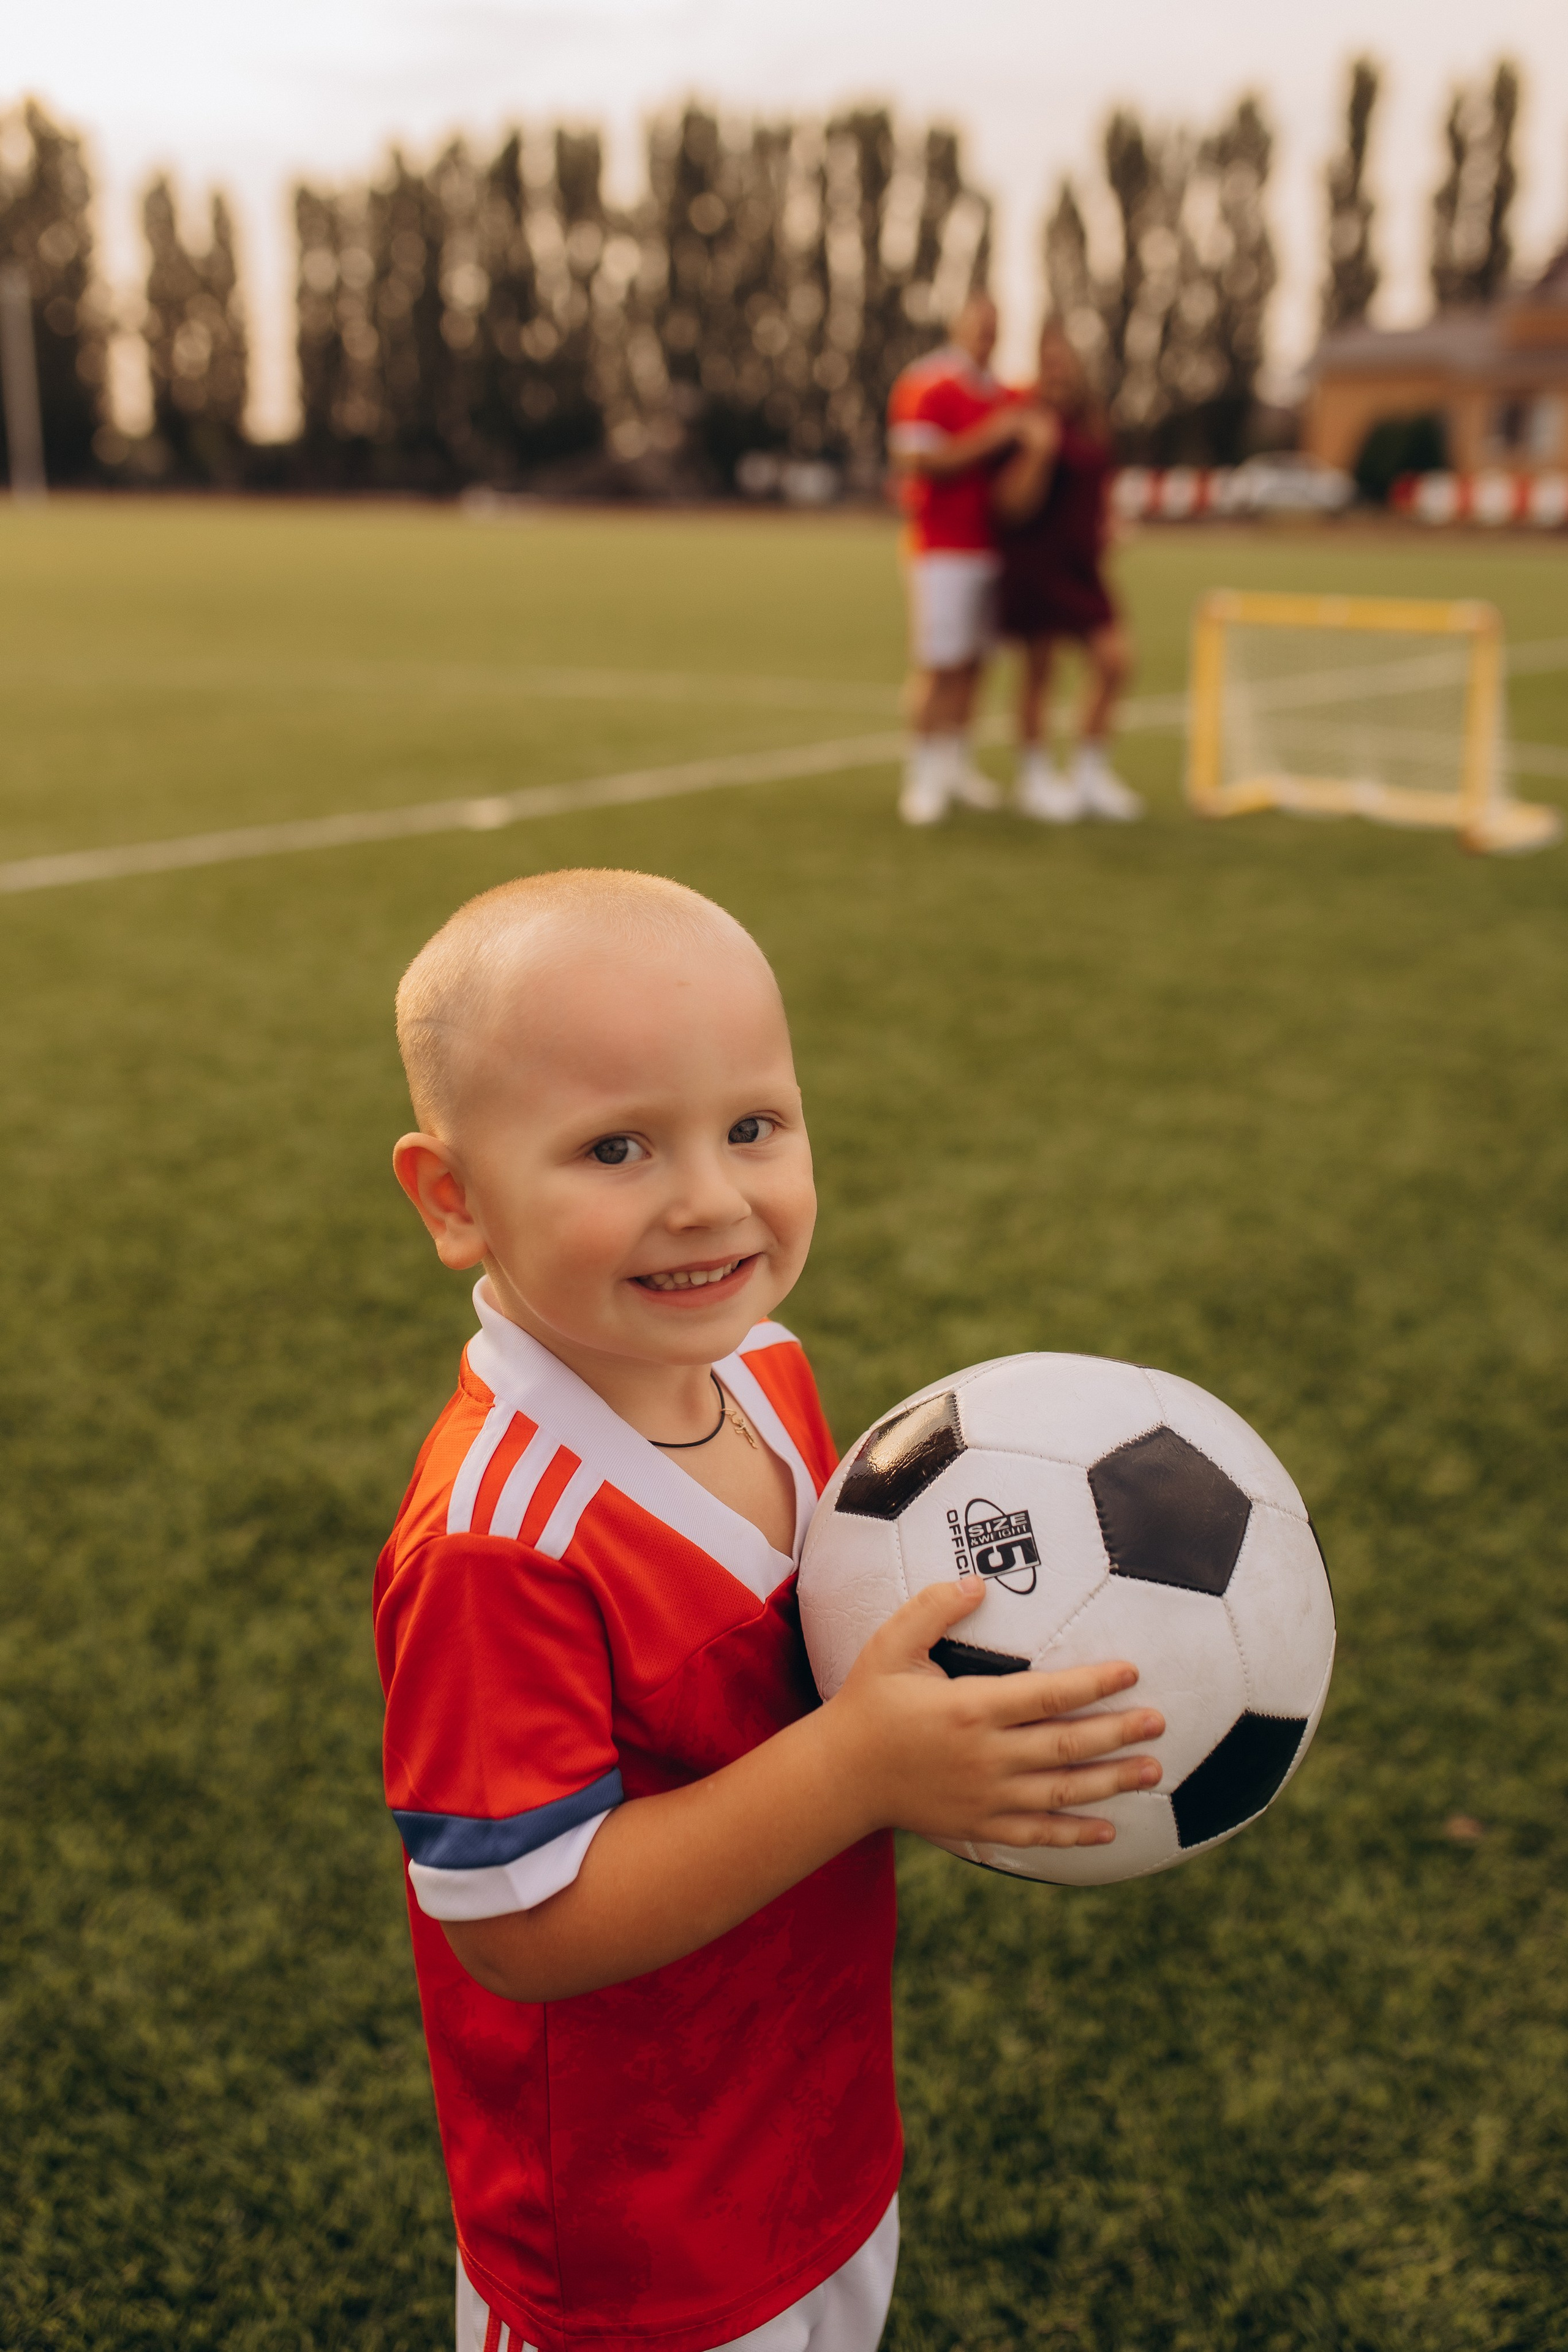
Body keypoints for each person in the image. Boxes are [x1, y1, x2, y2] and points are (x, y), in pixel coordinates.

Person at [379, 867, 1166, 2352]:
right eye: (614, 1146)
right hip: (626, 2225)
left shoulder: (768, 1370)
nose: (706, 1196)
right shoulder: (501, 1540)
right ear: (453, 1198)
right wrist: (857, 1767)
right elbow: (519, 1925)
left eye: (751, 1124)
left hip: (804, 2129)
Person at [886, 293, 1055, 827]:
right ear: (960, 326)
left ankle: (956, 766)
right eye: (980, 326)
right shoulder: (927, 383)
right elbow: (918, 461)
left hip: (993, 549)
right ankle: (922, 776)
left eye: (996, 328)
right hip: (941, 548)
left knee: (976, 664)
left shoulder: (1007, 393)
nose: (988, 336)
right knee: (939, 665)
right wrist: (993, 436)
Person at [992, 322, 1143, 823]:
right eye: (1047, 361)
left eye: (1064, 361)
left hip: (1082, 568)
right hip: (1036, 564)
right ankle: (1035, 780)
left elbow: (1098, 489)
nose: (1057, 371)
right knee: (1040, 671)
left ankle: (1089, 776)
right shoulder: (1026, 422)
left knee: (1116, 661)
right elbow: (1010, 505)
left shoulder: (1091, 422)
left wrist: (1111, 524)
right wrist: (1037, 452)